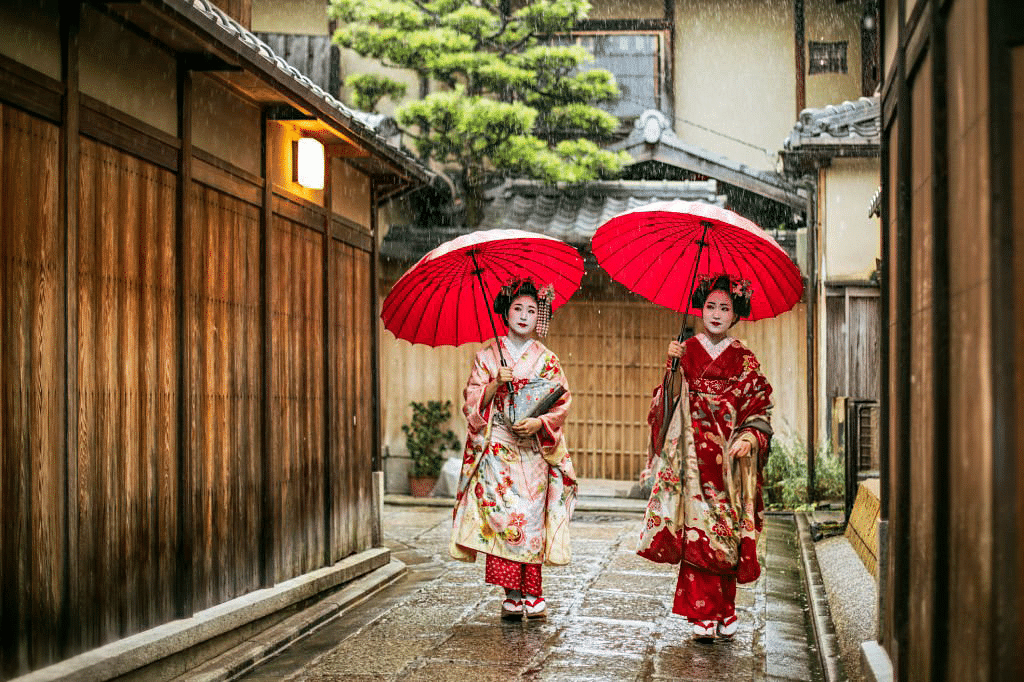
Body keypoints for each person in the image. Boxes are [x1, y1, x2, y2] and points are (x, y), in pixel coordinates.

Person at [637, 273, 773, 642]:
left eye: (724, 307)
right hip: (691, 456)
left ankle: (726, 608)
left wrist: (749, 437)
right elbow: (665, 404)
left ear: (735, 315)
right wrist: (673, 368)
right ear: (699, 308)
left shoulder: (744, 358)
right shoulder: (686, 349)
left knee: (726, 534)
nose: (715, 313)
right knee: (697, 532)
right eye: (710, 305)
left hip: (729, 459)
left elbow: (758, 406)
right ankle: (701, 612)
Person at [449, 277, 577, 621]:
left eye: (532, 310)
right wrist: (494, 384)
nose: (523, 315)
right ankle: (512, 592)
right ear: (505, 312)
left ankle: (533, 591)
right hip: (499, 449)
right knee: (504, 519)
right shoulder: (487, 355)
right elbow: (472, 403)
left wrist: (539, 423)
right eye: (517, 308)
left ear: (540, 317)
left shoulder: (547, 359)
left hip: (533, 449)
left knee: (531, 519)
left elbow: (561, 400)